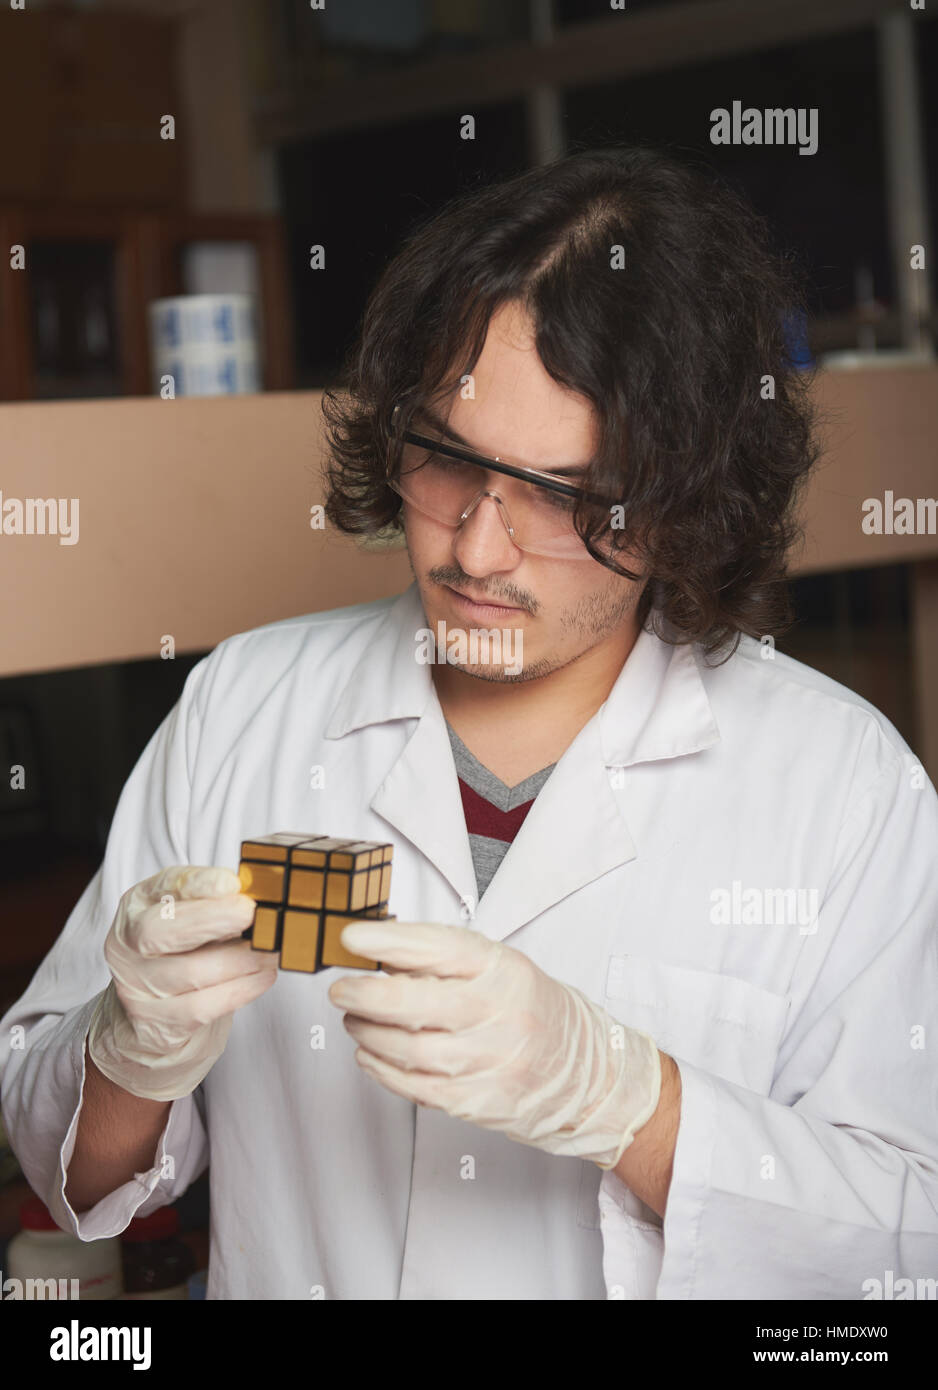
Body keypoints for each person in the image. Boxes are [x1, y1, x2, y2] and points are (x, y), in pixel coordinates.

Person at [2, 145, 936, 1301]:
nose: (477, 548)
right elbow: (67, 1168)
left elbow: (905, 1245)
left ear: (692, 501)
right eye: (448, 461)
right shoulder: (243, 705)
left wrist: (628, 1102)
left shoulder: (840, 785)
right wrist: (124, 1047)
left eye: (567, 496)